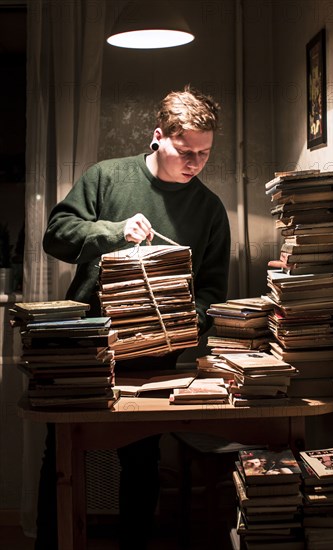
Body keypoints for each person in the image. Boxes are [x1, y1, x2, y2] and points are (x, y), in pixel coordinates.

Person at [35, 84, 231, 549]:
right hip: (83, 349)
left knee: (142, 464)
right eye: (186, 151)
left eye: (205, 154)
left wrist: (184, 319)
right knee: (60, 459)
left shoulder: (209, 210)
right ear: (157, 137)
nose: (195, 163)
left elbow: (212, 293)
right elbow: (56, 237)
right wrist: (113, 231)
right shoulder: (106, 177)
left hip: (154, 360)